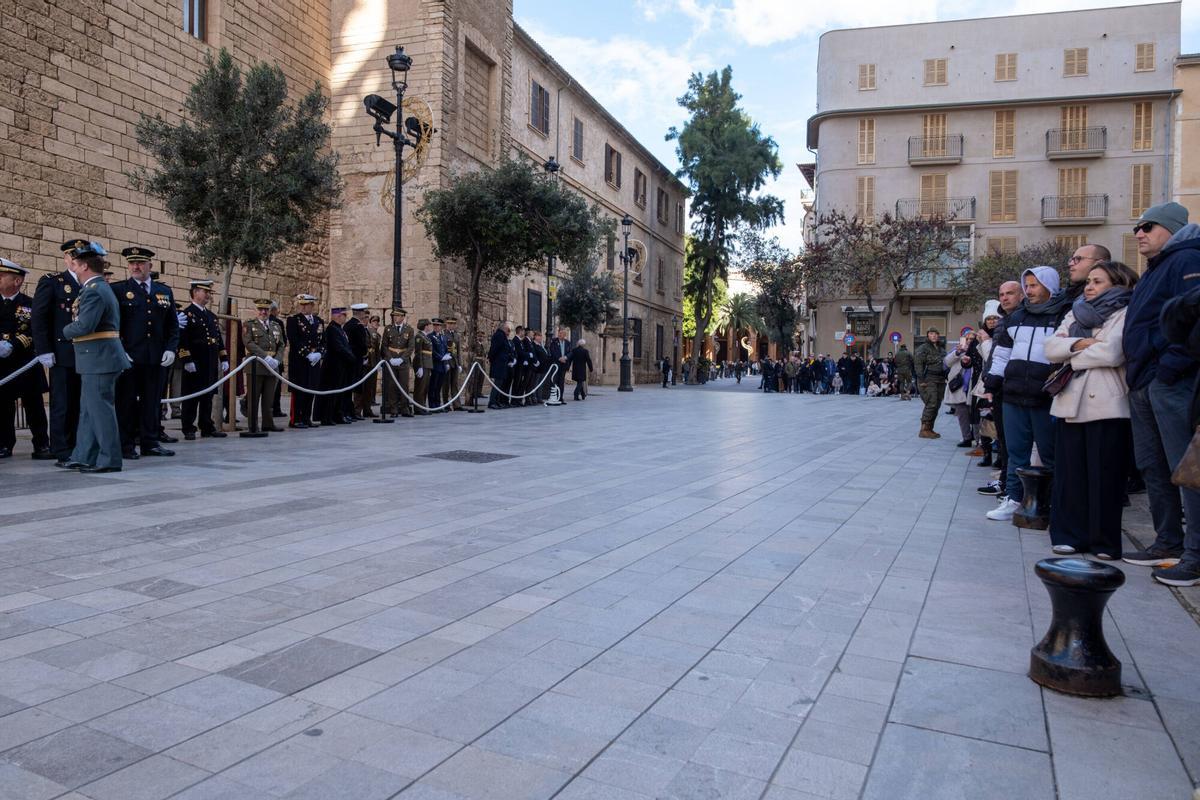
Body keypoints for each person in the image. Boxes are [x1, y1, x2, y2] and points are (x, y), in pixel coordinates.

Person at [1120, 201, 1200, 585]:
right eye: (1138, 227)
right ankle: (1167, 541)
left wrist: (1167, 372)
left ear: (1171, 228)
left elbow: (1191, 321)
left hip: (1167, 381)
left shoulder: (1187, 260)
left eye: (1149, 226)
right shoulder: (1156, 268)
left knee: (1184, 470)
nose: (1140, 233)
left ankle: (1195, 553)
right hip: (1144, 381)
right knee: (1153, 466)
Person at [1044, 260, 1138, 558]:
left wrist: (1071, 350)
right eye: (1089, 281)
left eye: (1098, 281)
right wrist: (1086, 344)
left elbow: (1113, 352)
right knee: (1069, 475)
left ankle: (1104, 542)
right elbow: (1050, 348)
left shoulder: (1126, 311)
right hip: (1071, 402)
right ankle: (1069, 535)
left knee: (1105, 477)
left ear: (1117, 283)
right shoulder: (1075, 311)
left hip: (1108, 405)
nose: (1090, 286)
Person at [983, 267, 1071, 521]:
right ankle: (1013, 498)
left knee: (1049, 452)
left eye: (1034, 285)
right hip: (1013, 394)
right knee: (1015, 451)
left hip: (1045, 396)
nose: (1030, 291)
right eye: (1028, 285)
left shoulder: (1062, 316)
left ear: (1049, 286)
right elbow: (1002, 354)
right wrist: (993, 382)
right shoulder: (1016, 318)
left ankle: (1053, 502)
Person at [58, 247, 129, 473]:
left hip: (99, 358)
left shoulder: (94, 290)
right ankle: (84, 455)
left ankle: (109, 459)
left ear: (85, 266)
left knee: (100, 411)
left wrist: (65, 331)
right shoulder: (96, 288)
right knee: (88, 410)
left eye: (76, 264)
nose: (73, 267)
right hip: (96, 358)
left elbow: (85, 325)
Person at [111, 246, 178, 459]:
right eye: (132, 263)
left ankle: (150, 442)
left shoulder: (163, 291)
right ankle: (126, 445)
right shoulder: (119, 290)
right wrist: (119, 349)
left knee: (152, 402)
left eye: (140, 263)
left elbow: (172, 326)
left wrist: (170, 349)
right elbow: (112, 325)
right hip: (129, 357)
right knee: (126, 403)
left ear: (150, 265)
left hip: (155, 357)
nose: (135, 267)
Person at [33, 240, 95, 466]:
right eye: (74, 256)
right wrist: (44, 350)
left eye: (82, 256)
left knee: (82, 403)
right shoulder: (53, 282)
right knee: (63, 403)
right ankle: (61, 449)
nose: (77, 260)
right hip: (62, 353)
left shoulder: (90, 284)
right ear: (67, 259)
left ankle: (80, 445)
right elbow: (39, 318)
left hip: (87, 354)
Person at [0, 259, 51, 459]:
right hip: (2, 366)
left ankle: (41, 444)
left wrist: (15, 343)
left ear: (17, 281)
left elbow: (37, 330)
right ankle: (4, 444)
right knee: (3, 407)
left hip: (26, 363)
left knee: (34, 406)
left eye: (3, 276)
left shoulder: (30, 304)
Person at [178, 280, 228, 441]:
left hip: (210, 361)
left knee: (207, 395)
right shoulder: (187, 314)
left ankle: (207, 425)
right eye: (204, 291)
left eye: (208, 292)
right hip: (195, 362)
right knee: (191, 396)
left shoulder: (211, 316)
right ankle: (188, 427)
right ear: (194, 292)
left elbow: (218, 339)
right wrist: (186, 359)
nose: (207, 295)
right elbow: (182, 340)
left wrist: (224, 358)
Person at [243, 298, 285, 434]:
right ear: (256, 310)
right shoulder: (249, 325)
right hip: (256, 365)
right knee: (253, 399)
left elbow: (281, 345)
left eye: (266, 309)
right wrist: (265, 357)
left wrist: (277, 360)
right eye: (260, 309)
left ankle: (268, 423)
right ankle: (253, 426)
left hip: (272, 366)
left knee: (269, 398)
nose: (263, 312)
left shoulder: (275, 326)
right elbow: (249, 343)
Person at [286, 294, 324, 428]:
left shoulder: (319, 321)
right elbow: (294, 339)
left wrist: (320, 353)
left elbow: (322, 340)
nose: (302, 307)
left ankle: (307, 417)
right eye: (301, 304)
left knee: (311, 389)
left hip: (314, 362)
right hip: (300, 361)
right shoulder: (293, 320)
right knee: (299, 390)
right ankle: (296, 419)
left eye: (306, 305)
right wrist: (308, 354)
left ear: (312, 306)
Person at [317, 307, 355, 425]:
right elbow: (339, 347)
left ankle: (337, 414)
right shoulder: (332, 329)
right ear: (338, 316)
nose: (345, 318)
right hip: (333, 367)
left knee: (339, 392)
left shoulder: (340, 329)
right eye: (344, 315)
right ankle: (327, 416)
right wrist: (351, 357)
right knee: (331, 392)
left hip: (341, 366)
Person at [380, 306, 415, 418]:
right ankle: (393, 409)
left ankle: (405, 408)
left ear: (403, 317)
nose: (396, 318)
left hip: (403, 361)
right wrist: (390, 358)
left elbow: (410, 347)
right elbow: (384, 346)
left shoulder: (409, 329)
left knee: (404, 385)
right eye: (395, 316)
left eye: (398, 316)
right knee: (391, 385)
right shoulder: (388, 329)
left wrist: (402, 359)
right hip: (392, 360)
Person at [914, 329, 948, 438]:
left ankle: (930, 428)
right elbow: (918, 365)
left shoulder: (941, 349)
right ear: (927, 335)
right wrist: (922, 380)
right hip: (928, 379)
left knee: (937, 404)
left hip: (940, 379)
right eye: (931, 334)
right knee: (931, 403)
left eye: (936, 334)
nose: (934, 336)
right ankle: (924, 429)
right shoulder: (923, 348)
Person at [355, 313, 381, 418]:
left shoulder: (375, 333)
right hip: (364, 362)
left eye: (377, 322)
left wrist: (378, 362)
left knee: (370, 388)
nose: (376, 323)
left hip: (373, 362)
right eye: (374, 321)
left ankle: (367, 409)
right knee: (361, 387)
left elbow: (376, 350)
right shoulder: (362, 330)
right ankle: (357, 410)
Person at [487, 322, 513, 409]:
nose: (508, 330)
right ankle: (492, 402)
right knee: (497, 384)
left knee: (500, 383)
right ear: (503, 328)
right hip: (498, 363)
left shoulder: (502, 336)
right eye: (507, 328)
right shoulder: (499, 335)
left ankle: (497, 401)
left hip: (502, 363)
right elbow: (495, 349)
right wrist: (491, 359)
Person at [428, 317, 450, 412]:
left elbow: (445, 349)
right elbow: (432, 351)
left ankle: (437, 404)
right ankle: (432, 405)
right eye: (434, 325)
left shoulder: (443, 337)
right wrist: (440, 357)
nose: (436, 327)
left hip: (442, 366)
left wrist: (446, 362)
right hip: (435, 364)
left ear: (441, 327)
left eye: (438, 325)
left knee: (439, 386)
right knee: (433, 385)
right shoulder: (430, 337)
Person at [412, 318, 433, 414]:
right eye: (429, 325)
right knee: (420, 387)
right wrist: (419, 366)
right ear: (425, 326)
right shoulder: (419, 337)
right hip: (422, 364)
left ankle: (423, 405)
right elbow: (418, 353)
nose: (430, 327)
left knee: (425, 387)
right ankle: (418, 408)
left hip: (427, 364)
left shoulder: (426, 337)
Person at [442, 317, 464, 410]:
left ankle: (457, 404)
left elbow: (458, 351)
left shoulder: (456, 335)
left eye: (453, 324)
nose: (451, 326)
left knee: (454, 384)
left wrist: (460, 364)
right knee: (446, 385)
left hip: (454, 362)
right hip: (447, 361)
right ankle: (446, 405)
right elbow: (443, 350)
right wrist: (445, 363)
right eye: (449, 324)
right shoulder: (443, 334)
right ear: (446, 324)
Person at [547, 327, 572, 402]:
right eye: (559, 333)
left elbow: (571, 352)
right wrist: (559, 358)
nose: (560, 334)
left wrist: (565, 357)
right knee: (555, 380)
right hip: (556, 364)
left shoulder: (567, 343)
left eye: (562, 333)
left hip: (564, 364)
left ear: (565, 335)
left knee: (561, 382)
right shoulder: (554, 342)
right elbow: (552, 351)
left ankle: (560, 397)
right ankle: (555, 397)